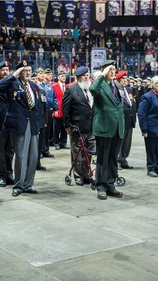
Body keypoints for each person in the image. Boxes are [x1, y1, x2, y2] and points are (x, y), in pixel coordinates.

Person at [0, 60, 40, 197]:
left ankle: (28, 184)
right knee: (21, 155)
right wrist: (13, 75)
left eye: (29, 71)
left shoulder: (33, 85)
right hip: (19, 124)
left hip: (33, 123)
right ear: (19, 72)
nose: (27, 73)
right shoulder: (12, 84)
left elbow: (37, 106)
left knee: (33, 156)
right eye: (24, 71)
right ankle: (18, 185)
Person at [89, 60, 124, 200]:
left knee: (112, 159)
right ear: (104, 71)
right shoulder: (99, 84)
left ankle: (110, 185)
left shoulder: (116, 85)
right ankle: (101, 186)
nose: (113, 72)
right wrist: (101, 76)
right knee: (103, 159)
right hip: (104, 126)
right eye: (110, 70)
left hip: (116, 127)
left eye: (114, 69)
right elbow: (92, 90)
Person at [62, 66, 95, 186]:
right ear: (78, 77)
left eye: (88, 75)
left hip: (91, 126)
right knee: (77, 152)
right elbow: (65, 109)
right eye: (84, 75)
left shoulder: (91, 89)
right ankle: (78, 175)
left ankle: (86, 174)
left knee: (89, 151)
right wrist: (67, 125)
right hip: (77, 126)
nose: (87, 77)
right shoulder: (71, 90)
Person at [138, 75, 158, 177]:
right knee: (151, 149)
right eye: (157, 83)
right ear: (152, 85)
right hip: (152, 128)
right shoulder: (147, 97)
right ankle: (151, 168)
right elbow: (141, 114)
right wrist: (144, 130)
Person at [116, 71, 136, 170]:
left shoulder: (129, 90)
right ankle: (117, 160)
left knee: (127, 142)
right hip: (121, 120)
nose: (125, 81)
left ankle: (123, 159)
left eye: (126, 79)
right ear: (118, 80)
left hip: (129, 119)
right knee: (119, 142)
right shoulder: (116, 90)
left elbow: (131, 104)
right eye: (122, 79)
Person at [52, 71, 67, 150]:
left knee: (65, 127)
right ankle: (56, 142)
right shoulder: (54, 86)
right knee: (56, 128)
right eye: (61, 76)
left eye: (64, 76)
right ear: (58, 77)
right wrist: (54, 109)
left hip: (65, 110)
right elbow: (53, 98)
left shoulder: (67, 86)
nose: (63, 77)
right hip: (57, 109)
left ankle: (63, 142)